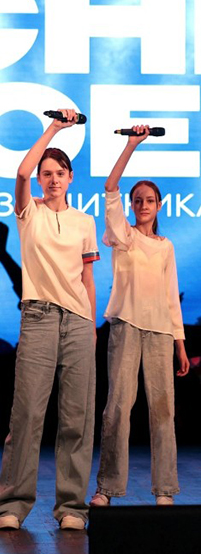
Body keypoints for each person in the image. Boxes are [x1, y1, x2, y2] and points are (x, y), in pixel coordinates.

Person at [0, 109, 100, 531]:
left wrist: (91, 325)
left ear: (71, 178)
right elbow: (20, 173)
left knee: (77, 417)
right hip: (38, 316)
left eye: (60, 173)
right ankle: (12, 505)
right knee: (27, 414)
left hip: (78, 320)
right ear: (39, 179)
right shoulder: (29, 213)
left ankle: (72, 507)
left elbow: (88, 277)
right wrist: (54, 128)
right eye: (46, 173)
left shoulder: (84, 221)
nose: (53, 179)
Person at [90, 125, 190, 508]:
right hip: (127, 327)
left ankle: (165, 489)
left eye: (149, 200)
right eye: (138, 200)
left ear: (159, 205)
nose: (143, 204)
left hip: (161, 333)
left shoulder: (166, 246)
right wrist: (132, 144)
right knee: (118, 406)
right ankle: (107, 488)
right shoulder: (123, 237)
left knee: (163, 410)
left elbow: (170, 298)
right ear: (131, 205)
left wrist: (180, 344)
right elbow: (110, 187)